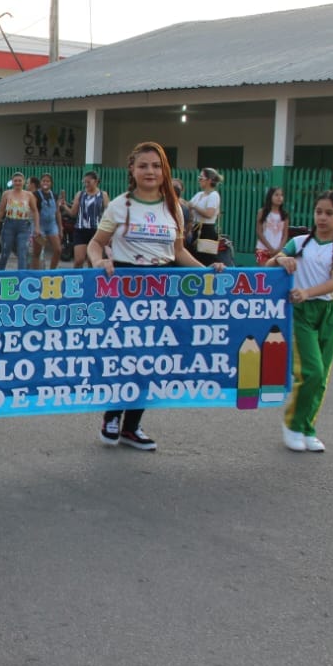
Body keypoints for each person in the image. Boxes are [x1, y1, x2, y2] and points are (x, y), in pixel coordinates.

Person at [87, 141, 218, 451]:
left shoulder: (175, 207)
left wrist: (207, 273)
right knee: (124, 356)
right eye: (143, 165)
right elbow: (95, 244)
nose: (150, 171)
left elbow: (178, 252)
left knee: (152, 359)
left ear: (164, 171)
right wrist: (99, 261)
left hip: (162, 292)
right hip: (125, 289)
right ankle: (111, 416)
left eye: (156, 166)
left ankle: (132, 426)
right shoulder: (119, 205)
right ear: (132, 169)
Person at [269, 190, 333, 452]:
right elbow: (271, 263)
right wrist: (281, 258)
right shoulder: (299, 242)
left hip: (328, 313)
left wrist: (308, 292)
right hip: (300, 313)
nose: (323, 218)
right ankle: (292, 425)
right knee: (310, 371)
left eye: (329, 213)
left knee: (322, 377)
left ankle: (308, 428)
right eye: (319, 212)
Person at [0, 172, 40, 271]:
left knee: (22, 252)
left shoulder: (29, 195)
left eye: (20, 181)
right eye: (15, 181)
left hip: (23, 226)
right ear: (12, 182)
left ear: (23, 182)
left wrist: (37, 227)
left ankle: (21, 277)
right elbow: (1, 210)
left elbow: (35, 211)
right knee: (5, 252)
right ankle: (0, 273)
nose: (17, 183)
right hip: (9, 224)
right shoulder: (7, 193)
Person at [66, 170, 110, 269]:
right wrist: (64, 206)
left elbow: (108, 214)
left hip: (96, 231)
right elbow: (73, 213)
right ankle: (76, 281)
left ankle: (91, 283)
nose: (86, 184)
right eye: (84, 182)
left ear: (95, 181)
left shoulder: (103, 195)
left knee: (92, 262)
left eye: (88, 182)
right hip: (80, 230)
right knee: (79, 260)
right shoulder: (80, 194)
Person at [184, 167, 223, 266]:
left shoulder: (214, 195)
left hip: (206, 230)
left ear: (209, 180)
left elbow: (209, 214)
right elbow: (189, 205)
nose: (199, 180)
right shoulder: (199, 194)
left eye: (201, 178)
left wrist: (194, 206)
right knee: (194, 256)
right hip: (196, 228)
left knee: (207, 259)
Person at [30, 173, 65, 269]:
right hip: (40, 225)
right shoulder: (35, 195)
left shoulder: (54, 195)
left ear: (51, 183)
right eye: (44, 181)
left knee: (58, 250)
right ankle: (36, 274)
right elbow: (34, 211)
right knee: (37, 252)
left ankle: (51, 272)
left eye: (48, 181)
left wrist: (60, 228)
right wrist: (36, 228)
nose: (45, 183)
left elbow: (57, 212)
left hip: (51, 225)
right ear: (40, 183)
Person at [255, 186, 290, 266]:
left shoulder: (284, 215)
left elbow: (285, 235)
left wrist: (279, 249)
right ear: (270, 196)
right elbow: (259, 232)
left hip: (278, 252)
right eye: (276, 195)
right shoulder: (262, 212)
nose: (279, 197)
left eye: (281, 195)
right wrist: (270, 248)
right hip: (262, 249)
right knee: (263, 273)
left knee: (274, 274)